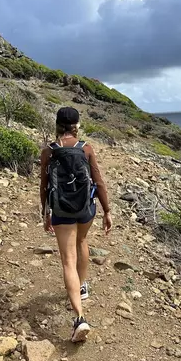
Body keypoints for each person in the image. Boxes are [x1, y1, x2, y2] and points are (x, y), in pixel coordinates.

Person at [40, 107, 112, 343]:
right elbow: (98, 181)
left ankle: (80, 318)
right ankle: (81, 287)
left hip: (61, 209)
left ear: (57, 124)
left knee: (67, 260)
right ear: (76, 126)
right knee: (82, 241)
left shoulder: (49, 152)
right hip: (86, 208)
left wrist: (45, 211)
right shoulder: (86, 149)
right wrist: (107, 210)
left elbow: (44, 184)